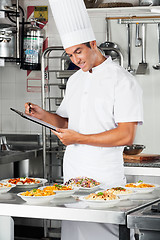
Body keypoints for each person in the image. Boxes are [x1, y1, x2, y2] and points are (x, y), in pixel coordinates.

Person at [25, 0, 143, 239]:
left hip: (104, 180)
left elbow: (126, 135)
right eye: (70, 54)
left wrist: (79, 138)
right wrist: (43, 115)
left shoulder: (123, 81)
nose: (75, 59)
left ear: (92, 44)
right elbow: (69, 123)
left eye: (78, 51)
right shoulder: (75, 80)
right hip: (72, 178)